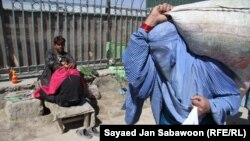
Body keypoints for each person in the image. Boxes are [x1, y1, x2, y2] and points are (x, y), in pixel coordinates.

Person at [122, 3, 241, 125]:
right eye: (157, 49)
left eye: (169, 48)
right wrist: (150, 21)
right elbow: (134, 73)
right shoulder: (156, 68)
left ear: (181, 45)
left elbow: (233, 98)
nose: (162, 54)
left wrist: (210, 105)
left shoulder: (207, 66)